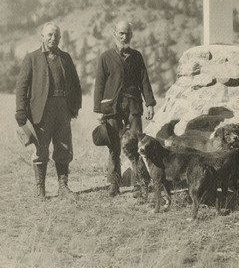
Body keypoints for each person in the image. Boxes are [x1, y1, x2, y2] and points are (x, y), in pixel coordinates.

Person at [15, 22, 82, 201]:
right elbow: (21, 86)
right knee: (41, 149)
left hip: (63, 108)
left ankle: (63, 187)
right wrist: (20, 110)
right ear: (42, 36)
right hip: (41, 110)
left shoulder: (66, 58)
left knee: (64, 147)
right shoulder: (32, 58)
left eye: (56, 35)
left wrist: (74, 107)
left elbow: (75, 84)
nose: (53, 38)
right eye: (49, 35)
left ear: (60, 38)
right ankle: (40, 190)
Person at [93, 21, 156, 197]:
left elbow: (144, 81)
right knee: (114, 145)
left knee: (136, 143)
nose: (124, 37)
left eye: (127, 33)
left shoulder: (137, 57)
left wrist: (150, 103)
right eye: (121, 33)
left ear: (132, 35)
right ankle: (114, 183)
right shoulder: (105, 57)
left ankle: (139, 184)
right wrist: (98, 109)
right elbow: (99, 84)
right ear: (114, 34)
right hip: (111, 107)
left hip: (133, 105)